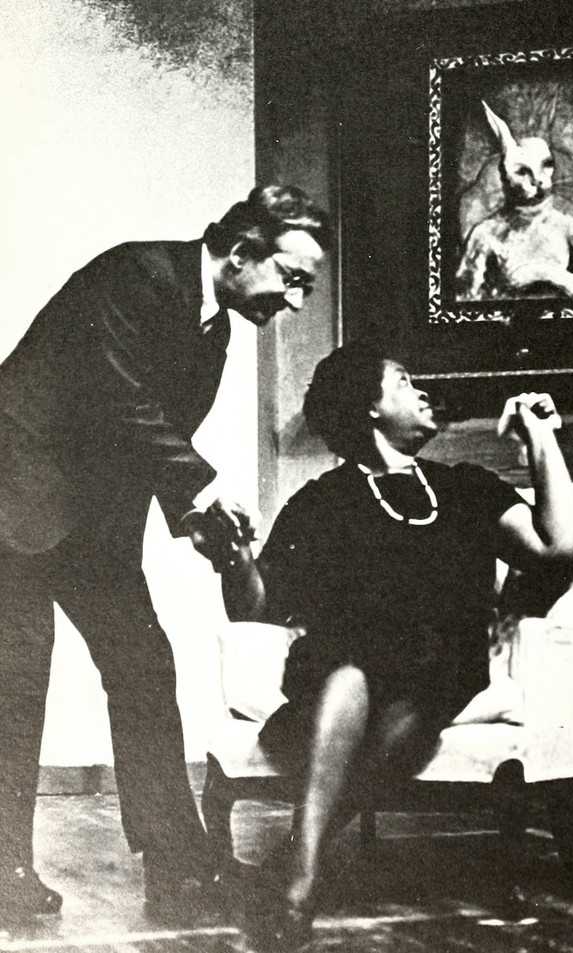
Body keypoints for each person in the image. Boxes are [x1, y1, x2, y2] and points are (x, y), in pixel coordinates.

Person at [0, 184, 330, 923]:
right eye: (291, 278)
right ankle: (3, 871)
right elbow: (118, 401)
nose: (295, 302)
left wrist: (199, 520)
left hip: (85, 520)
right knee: (15, 677)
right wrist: (202, 489)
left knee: (144, 665)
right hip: (10, 500)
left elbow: (152, 439)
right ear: (241, 253)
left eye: (305, 287)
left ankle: (178, 869)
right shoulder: (138, 275)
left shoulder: (213, 330)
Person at [207, 338, 573, 951]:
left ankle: (294, 869)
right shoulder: (321, 501)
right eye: (405, 380)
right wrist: (235, 556)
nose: (424, 390)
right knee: (353, 675)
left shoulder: (466, 487)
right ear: (369, 407)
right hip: (341, 672)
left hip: (437, 668)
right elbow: (256, 609)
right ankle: (300, 882)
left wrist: (540, 436)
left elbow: (559, 548)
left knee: (396, 696)